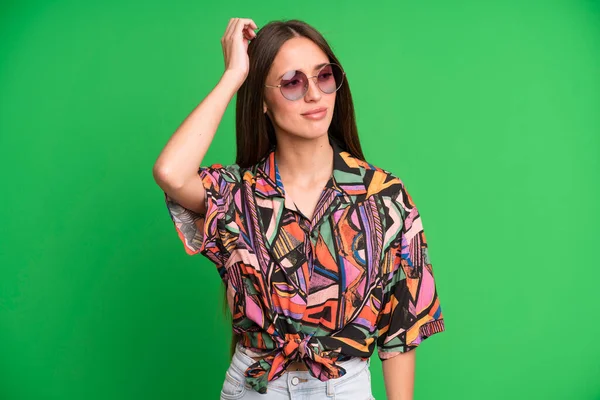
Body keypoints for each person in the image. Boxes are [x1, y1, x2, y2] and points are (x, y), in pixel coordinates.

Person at [153, 17, 445, 400]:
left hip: (344, 388)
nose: (314, 95)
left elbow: (401, 330)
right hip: (254, 387)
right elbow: (171, 173)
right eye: (292, 82)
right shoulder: (237, 195)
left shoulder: (383, 196)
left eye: (324, 76)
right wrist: (234, 76)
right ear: (261, 99)